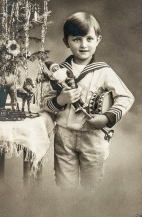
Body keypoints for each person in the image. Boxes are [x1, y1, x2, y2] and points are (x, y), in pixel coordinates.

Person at [41, 12, 134, 193]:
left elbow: (126, 97)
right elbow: (44, 103)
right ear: (66, 42)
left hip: (93, 137)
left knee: (92, 187)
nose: (84, 45)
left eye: (89, 39)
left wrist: (107, 118)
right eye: (76, 39)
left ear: (98, 40)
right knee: (65, 187)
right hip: (64, 136)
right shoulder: (58, 72)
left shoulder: (104, 71)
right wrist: (61, 100)